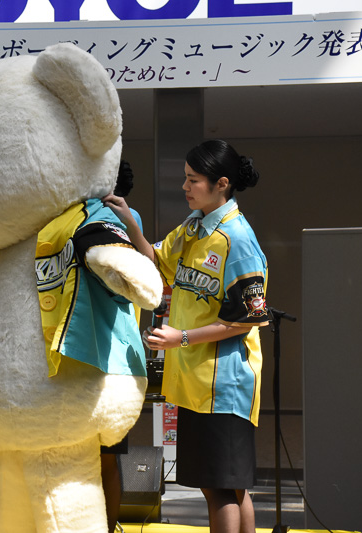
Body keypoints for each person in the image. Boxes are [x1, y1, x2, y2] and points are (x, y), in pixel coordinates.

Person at [103, 140, 268, 533]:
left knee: (220, 488)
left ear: (221, 184)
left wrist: (181, 338)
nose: (185, 187)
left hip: (225, 387)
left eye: (193, 180)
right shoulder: (193, 226)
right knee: (230, 487)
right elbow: (157, 261)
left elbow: (247, 319)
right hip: (195, 383)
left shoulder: (238, 240)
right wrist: (130, 222)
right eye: (185, 178)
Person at [100, 159, 142, 533]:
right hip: (112, 355)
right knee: (104, 458)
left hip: (111, 354)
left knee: (104, 458)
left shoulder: (120, 219)